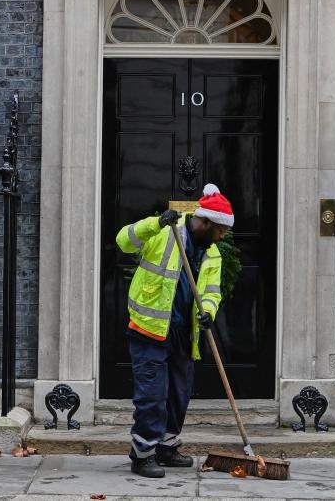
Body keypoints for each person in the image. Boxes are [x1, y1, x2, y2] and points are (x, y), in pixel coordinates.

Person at [115, 183, 234, 478]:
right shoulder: (165, 232)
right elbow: (123, 240)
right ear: (205, 222)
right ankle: (142, 454)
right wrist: (155, 222)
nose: (223, 236)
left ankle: (167, 447)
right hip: (149, 330)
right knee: (152, 395)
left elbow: (211, 292)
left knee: (178, 395)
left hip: (184, 333)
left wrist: (207, 311)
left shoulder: (212, 254)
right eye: (220, 230)